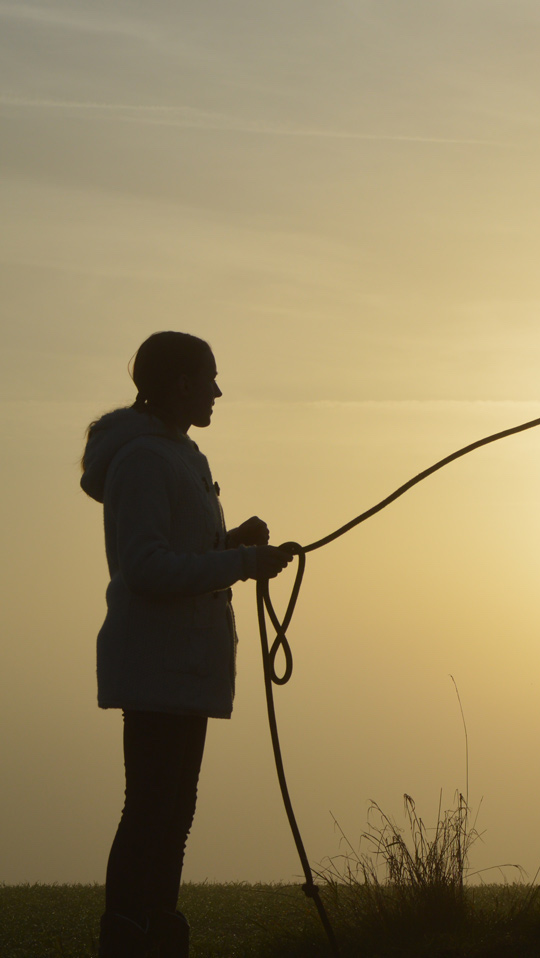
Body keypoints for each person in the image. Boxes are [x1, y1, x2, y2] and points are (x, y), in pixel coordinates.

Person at [80, 332, 292, 958]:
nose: (217, 391)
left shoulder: (180, 455)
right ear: (180, 385)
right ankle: (129, 936)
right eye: (210, 379)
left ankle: (155, 929)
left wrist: (232, 547)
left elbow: (181, 557)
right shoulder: (146, 460)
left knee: (172, 812)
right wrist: (244, 561)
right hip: (157, 666)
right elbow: (146, 568)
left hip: (184, 667)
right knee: (152, 810)